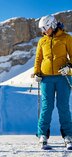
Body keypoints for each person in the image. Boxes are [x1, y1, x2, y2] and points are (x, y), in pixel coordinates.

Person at [33, 15, 72, 149]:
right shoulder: (42, 41)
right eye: (42, 29)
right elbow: (38, 58)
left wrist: (69, 68)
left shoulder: (66, 38)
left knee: (63, 107)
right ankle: (42, 134)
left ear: (53, 24)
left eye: (45, 27)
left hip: (63, 78)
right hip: (46, 78)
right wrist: (37, 72)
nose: (44, 31)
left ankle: (68, 136)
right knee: (46, 107)